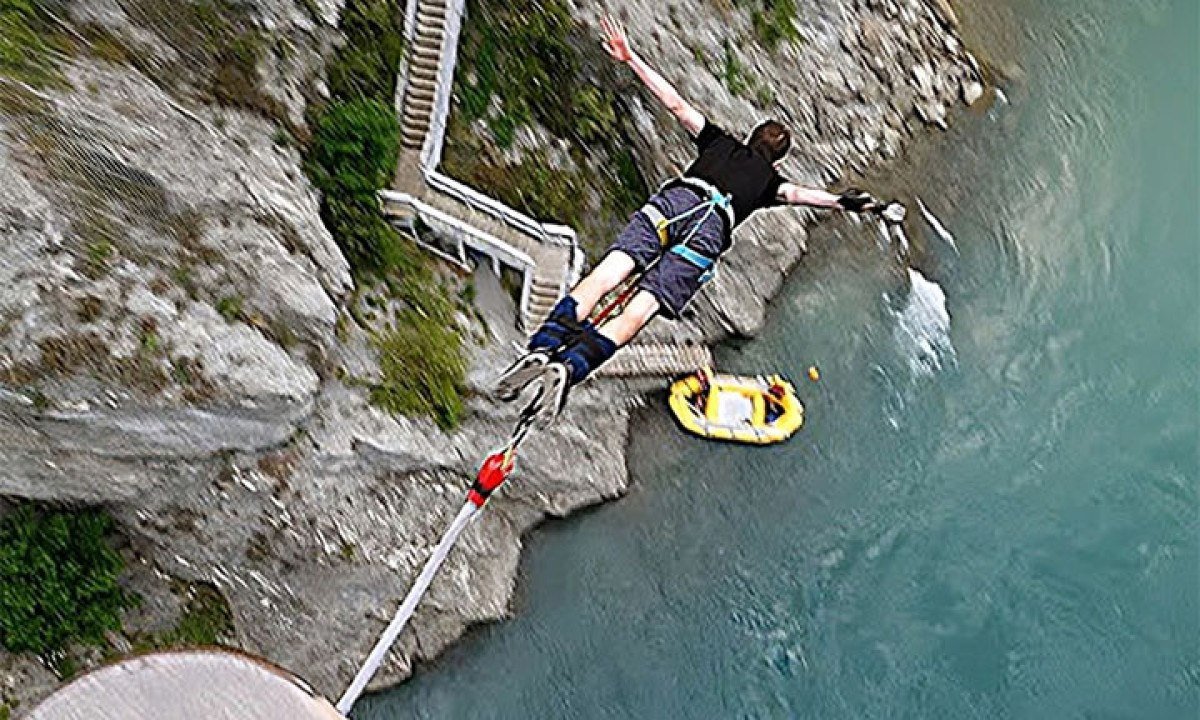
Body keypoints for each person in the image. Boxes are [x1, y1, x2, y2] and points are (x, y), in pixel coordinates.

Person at [501, 16, 897, 411]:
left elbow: (675, 103)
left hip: (677, 204)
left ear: (749, 137)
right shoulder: (770, 183)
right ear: (777, 161)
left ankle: (543, 345)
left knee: (606, 275)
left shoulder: (717, 142)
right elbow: (807, 196)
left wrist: (631, 57)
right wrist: (855, 203)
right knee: (640, 309)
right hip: (706, 235)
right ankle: (572, 366)